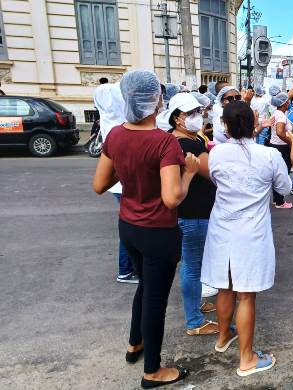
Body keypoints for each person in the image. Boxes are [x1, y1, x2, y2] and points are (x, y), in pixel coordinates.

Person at [92, 70, 199, 388]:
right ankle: (152, 371)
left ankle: (134, 344)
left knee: (144, 288)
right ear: (155, 103)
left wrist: (125, 169)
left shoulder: (115, 136)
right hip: (158, 232)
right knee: (155, 300)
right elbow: (171, 198)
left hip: (130, 228)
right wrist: (190, 172)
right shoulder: (164, 143)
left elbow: (99, 184)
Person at [201, 101, 291, 377]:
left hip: (221, 227)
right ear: (255, 124)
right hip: (251, 231)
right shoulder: (269, 156)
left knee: (224, 285)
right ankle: (246, 358)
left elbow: (216, 181)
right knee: (246, 295)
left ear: (225, 126)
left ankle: (222, 337)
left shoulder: (215, 154)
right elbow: (285, 188)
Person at [166, 93, 219, 336]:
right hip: (193, 213)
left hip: (189, 211)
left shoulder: (175, 140)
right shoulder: (187, 144)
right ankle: (194, 321)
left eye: (199, 112)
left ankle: (195, 305)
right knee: (193, 266)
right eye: (191, 114)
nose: (198, 117)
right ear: (177, 119)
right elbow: (212, 173)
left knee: (193, 264)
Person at [92, 83, 136, 284]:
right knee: (131, 226)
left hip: (117, 183)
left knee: (130, 224)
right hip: (123, 182)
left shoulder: (109, 120)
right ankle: (126, 269)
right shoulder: (120, 127)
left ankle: (129, 267)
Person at [268, 92, 293, 209]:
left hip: (275, 145)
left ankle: (277, 199)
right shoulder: (281, 116)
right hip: (281, 147)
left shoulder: (277, 112)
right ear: (284, 104)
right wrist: (290, 142)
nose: (289, 102)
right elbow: (280, 132)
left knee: (277, 174)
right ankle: (280, 202)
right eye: (288, 101)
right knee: (282, 173)